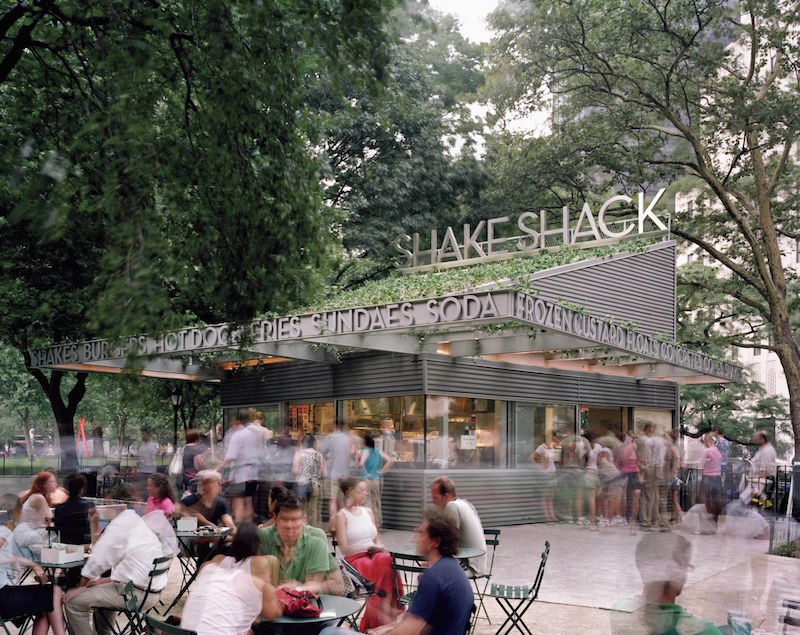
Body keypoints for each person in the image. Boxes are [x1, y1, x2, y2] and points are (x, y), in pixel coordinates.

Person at [342, 508, 474, 635]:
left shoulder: (433, 577)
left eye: (421, 533)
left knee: (332, 632)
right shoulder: (453, 569)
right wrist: (382, 629)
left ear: (435, 541)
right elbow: (419, 622)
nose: (414, 539)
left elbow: (409, 631)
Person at [64, 510, 168, 635]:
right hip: (150, 594)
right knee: (102, 589)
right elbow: (101, 551)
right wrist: (94, 525)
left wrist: (82, 587)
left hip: (134, 595)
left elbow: (98, 559)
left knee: (74, 602)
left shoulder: (121, 528)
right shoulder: (140, 529)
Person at [181, 523, 282, 635]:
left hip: (189, 631)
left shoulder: (209, 566)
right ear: (258, 547)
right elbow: (272, 614)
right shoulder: (262, 569)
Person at [611, 532, 722, 634]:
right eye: (684, 565)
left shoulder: (620, 609)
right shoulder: (707, 631)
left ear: (641, 567)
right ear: (677, 572)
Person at [334, 477, 402, 629]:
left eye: (365, 490)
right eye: (361, 490)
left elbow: (377, 540)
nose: (365, 494)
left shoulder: (368, 512)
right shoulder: (342, 515)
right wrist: (367, 548)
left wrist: (380, 547)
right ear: (350, 492)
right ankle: (383, 615)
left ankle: (381, 613)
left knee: (387, 558)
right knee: (385, 561)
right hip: (355, 559)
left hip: (375, 556)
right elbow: (344, 548)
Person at [0, 503, 67, 635]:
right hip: (3, 597)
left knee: (44, 606)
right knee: (54, 591)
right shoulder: (3, 531)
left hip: (5, 594)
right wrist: (29, 563)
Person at [256, 492, 329, 591]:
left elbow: (314, 584)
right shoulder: (263, 536)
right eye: (285, 519)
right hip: (271, 600)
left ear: (304, 520)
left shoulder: (317, 540)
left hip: (305, 601)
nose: (289, 525)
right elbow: (258, 578)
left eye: (294, 520)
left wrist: (297, 589)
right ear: (275, 520)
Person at [430, 476, 487, 574]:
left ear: (447, 496)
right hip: (477, 563)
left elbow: (447, 541)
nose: (433, 501)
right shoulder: (465, 504)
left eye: (436, 498)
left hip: (468, 565)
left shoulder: (452, 506)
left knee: (429, 573)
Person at [216, 414, 263, 523]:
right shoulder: (253, 434)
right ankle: (248, 528)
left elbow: (230, 456)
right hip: (253, 474)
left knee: (239, 503)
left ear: (236, 423)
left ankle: (239, 529)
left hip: (241, 475)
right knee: (249, 502)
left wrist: (217, 469)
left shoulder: (237, 436)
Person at [322, 421, 355, 526]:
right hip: (344, 474)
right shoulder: (347, 438)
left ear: (334, 426)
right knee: (341, 500)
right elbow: (352, 454)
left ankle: (333, 526)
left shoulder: (330, 437)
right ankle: (343, 524)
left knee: (332, 501)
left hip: (333, 474)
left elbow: (322, 451)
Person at [359, 433, 392, 529]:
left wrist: (365, 473)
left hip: (366, 480)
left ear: (364, 442)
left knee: (366, 502)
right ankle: (377, 524)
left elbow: (360, 464)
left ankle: (369, 524)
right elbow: (390, 460)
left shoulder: (363, 451)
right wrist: (381, 472)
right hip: (376, 480)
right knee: (376, 502)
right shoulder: (378, 451)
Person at [293, 434, 326, 529]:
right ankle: (313, 533)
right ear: (313, 443)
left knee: (301, 510)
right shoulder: (319, 455)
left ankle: (301, 531)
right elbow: (323, 472)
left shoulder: (298, 454)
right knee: (314, 512)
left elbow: (295, 470)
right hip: (316, 485)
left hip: (302, 486)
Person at [54, 473, 96, 546]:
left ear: (67, 488)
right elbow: (94, 526)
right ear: (82, 489)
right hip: (85, 544)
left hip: (66, 544)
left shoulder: (59, 508)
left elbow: (57, 530)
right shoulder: (90, 505)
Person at [530, 434, 558, 522]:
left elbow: (552, 460)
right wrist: (539, 467)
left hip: (552, 473)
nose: (554, 440)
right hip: (545, 475)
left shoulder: (551, 448)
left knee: (551, 496)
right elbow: (531, 458)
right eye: (553, 439)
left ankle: (552, 515)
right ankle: (547, 517)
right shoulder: (541, 447)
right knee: (545, 496)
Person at [617, 433, 642, 534]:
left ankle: (623, 519)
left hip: (624, 474)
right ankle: (632, 524)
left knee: (624, 498)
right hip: (634, 474)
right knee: (634, 499)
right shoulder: (634, 446)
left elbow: (619, 461)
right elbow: (640, 461)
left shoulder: (622, 447)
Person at [13, 494, 48, 561]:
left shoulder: (32, 497)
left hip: (20, 534)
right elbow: (47, 516)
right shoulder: (39, 497)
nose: (55, 484)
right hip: (25, 536)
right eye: (52, 482)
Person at [700, 433, 723, 524]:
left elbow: (700, 464)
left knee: (704, 498)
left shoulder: (707, 451)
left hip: (707, 476)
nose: (704, 443)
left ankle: (705, 517)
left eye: (705, 441)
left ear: (709, 441)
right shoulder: (718, 451)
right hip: (717, 477)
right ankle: (715, 519)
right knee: (716, 498)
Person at [751, 430, 777, 507]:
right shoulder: (762, 449)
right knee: (760, 504)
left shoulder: (766, 451)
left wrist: (759, 487)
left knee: (762, 505)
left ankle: (764, 516)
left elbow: (764, 470)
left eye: (756, 437)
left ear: (762, 439)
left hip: (763, 481)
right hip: (760, 481)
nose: (754, 439)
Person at [181, 428, 206, 492]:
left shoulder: (184, 448)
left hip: (184, 476)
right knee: (194, 497)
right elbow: (199, 466)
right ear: (196, 437)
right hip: (193, 478)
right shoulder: (196, 449)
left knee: (187, 495)